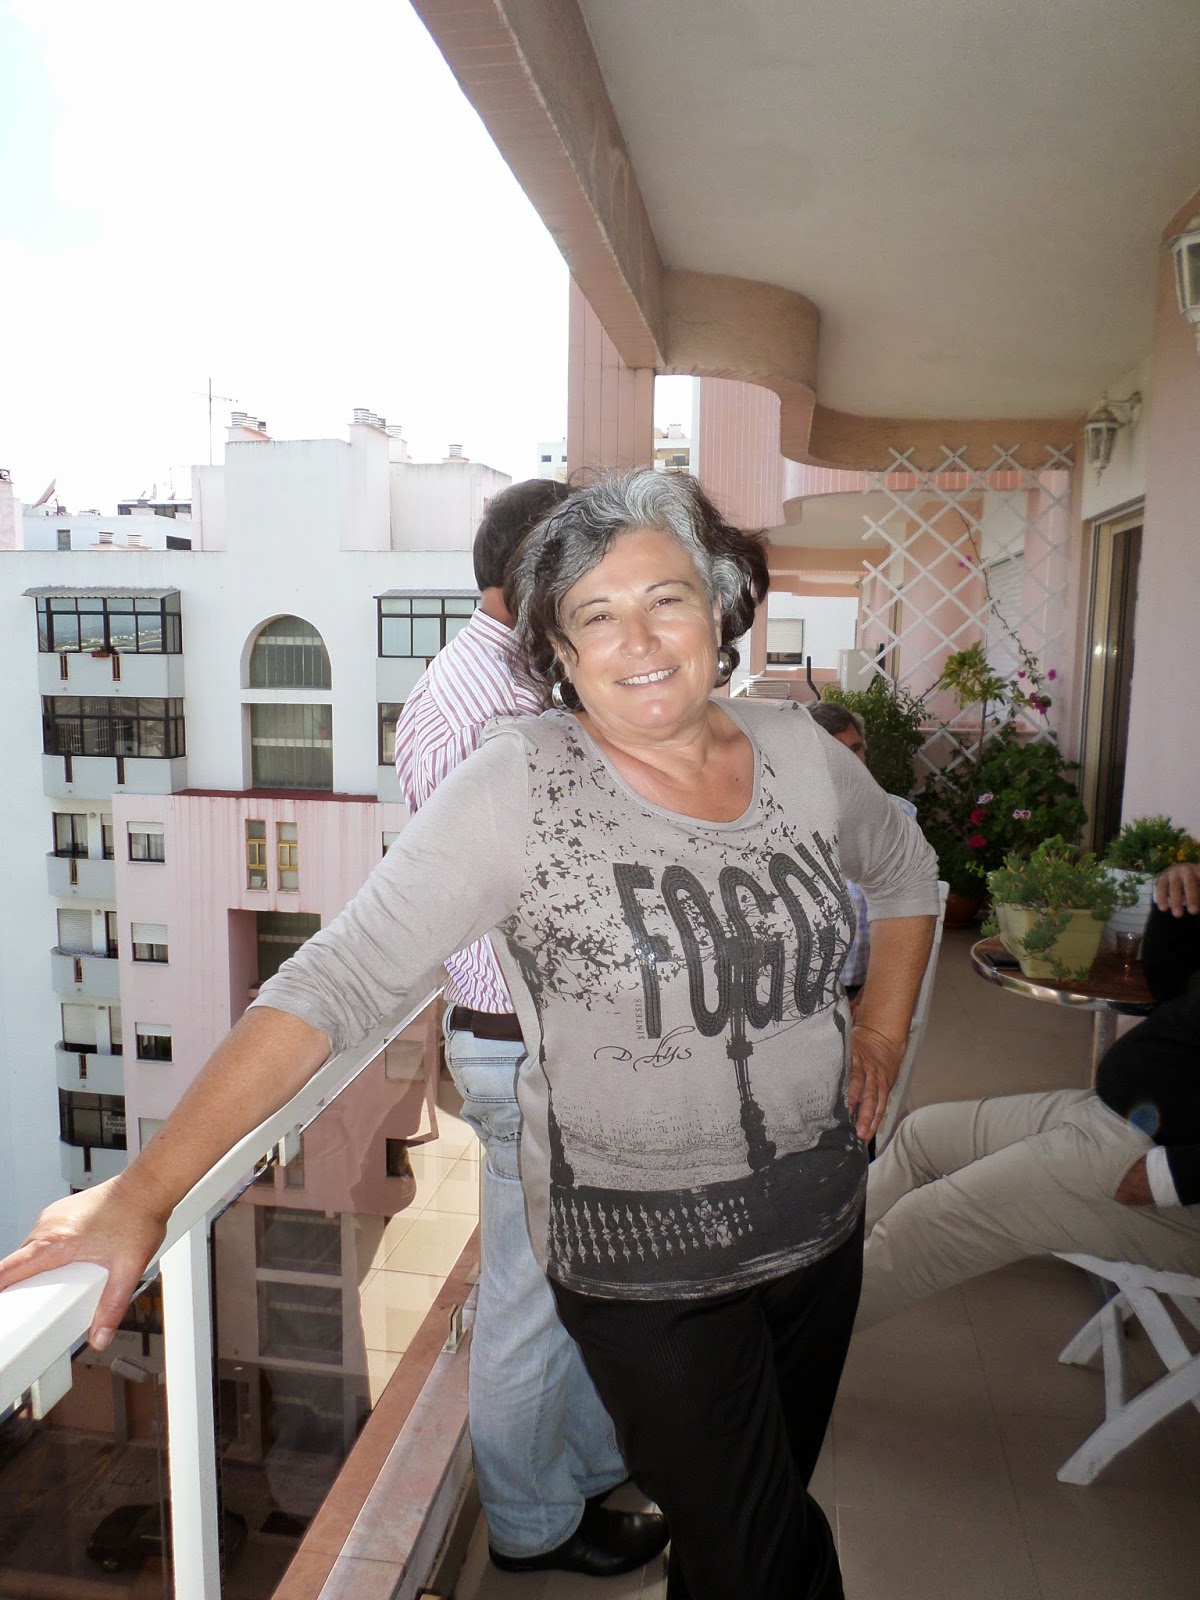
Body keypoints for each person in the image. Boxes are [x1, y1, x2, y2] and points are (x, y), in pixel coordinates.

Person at [0, 469, 938, 1600]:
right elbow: (339, 978)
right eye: (596, 614)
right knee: (770, 1560)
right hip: (648, 1266)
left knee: (746, 1517)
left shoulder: (799, 751)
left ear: (720, 605)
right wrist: (145, 1190)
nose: (639, 639)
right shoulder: (519, 785)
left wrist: (880, 1031)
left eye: (666, 599)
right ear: (558, 648)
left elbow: (906, 871)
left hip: (819, 1230)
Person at [394, 477, 657, 1578]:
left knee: (578, 1284)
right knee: (528, 1301)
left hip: (559, 1034)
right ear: (528, 570)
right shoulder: (467, 706)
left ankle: (589, 1471)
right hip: (519, 1036)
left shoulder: (524, 680)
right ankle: (530, 1523)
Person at [857, 861, 1200, 1332]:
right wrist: (1177, 902)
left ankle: (777, 1345)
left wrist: (1170, 1178)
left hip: (1165, 1172)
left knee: (922, 1226)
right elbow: (1169, 985)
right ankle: (795, 1262)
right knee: (921, 1136)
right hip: (1117, 1115)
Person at [808, 701, 918, 998]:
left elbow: (905, 913)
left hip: (866, 984)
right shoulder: (785, 819)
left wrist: (877, 993)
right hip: (800, 987)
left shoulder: (899, 817)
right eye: (836, 751)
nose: (852, 761)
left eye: (855, 749)